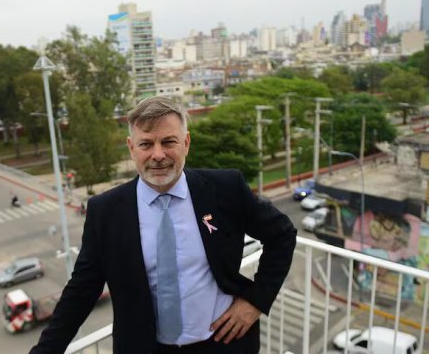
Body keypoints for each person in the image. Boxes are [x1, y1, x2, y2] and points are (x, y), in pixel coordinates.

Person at [30, 96, 296, 354]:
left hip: (225, 344)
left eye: (168, 142)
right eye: (146, 144)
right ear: (131, 148)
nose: (158, 155)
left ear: (186, 143)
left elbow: (282, 234)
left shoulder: (225, 188)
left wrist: (254, 302)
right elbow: (82, 290)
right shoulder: (105, 211)